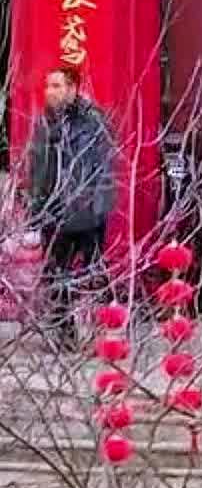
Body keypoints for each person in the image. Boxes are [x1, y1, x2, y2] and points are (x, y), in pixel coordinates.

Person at [28, 67, 117, 348]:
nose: (50, 91)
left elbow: (104, 168)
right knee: (56, 275)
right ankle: (64, 335)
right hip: (53, 212)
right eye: (48, 86)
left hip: (86, 211)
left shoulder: (92, 121)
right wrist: (36, 207)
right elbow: (37, 169)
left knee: (94, 273)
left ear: (72, 89)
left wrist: (97, 208)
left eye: (56, 86)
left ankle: (106, 331)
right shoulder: (44, 123)